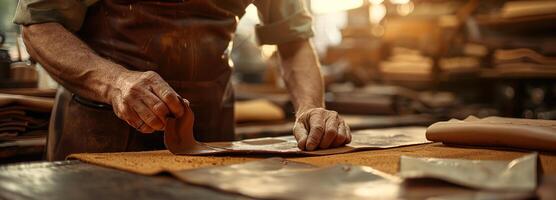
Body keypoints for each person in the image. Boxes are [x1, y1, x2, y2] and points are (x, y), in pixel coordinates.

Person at [14, 0, 351, 161]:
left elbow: (293, 41)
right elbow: (39, 25)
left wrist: (310, 109)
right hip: (99, 133)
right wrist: (114, 83)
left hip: (212, 137)